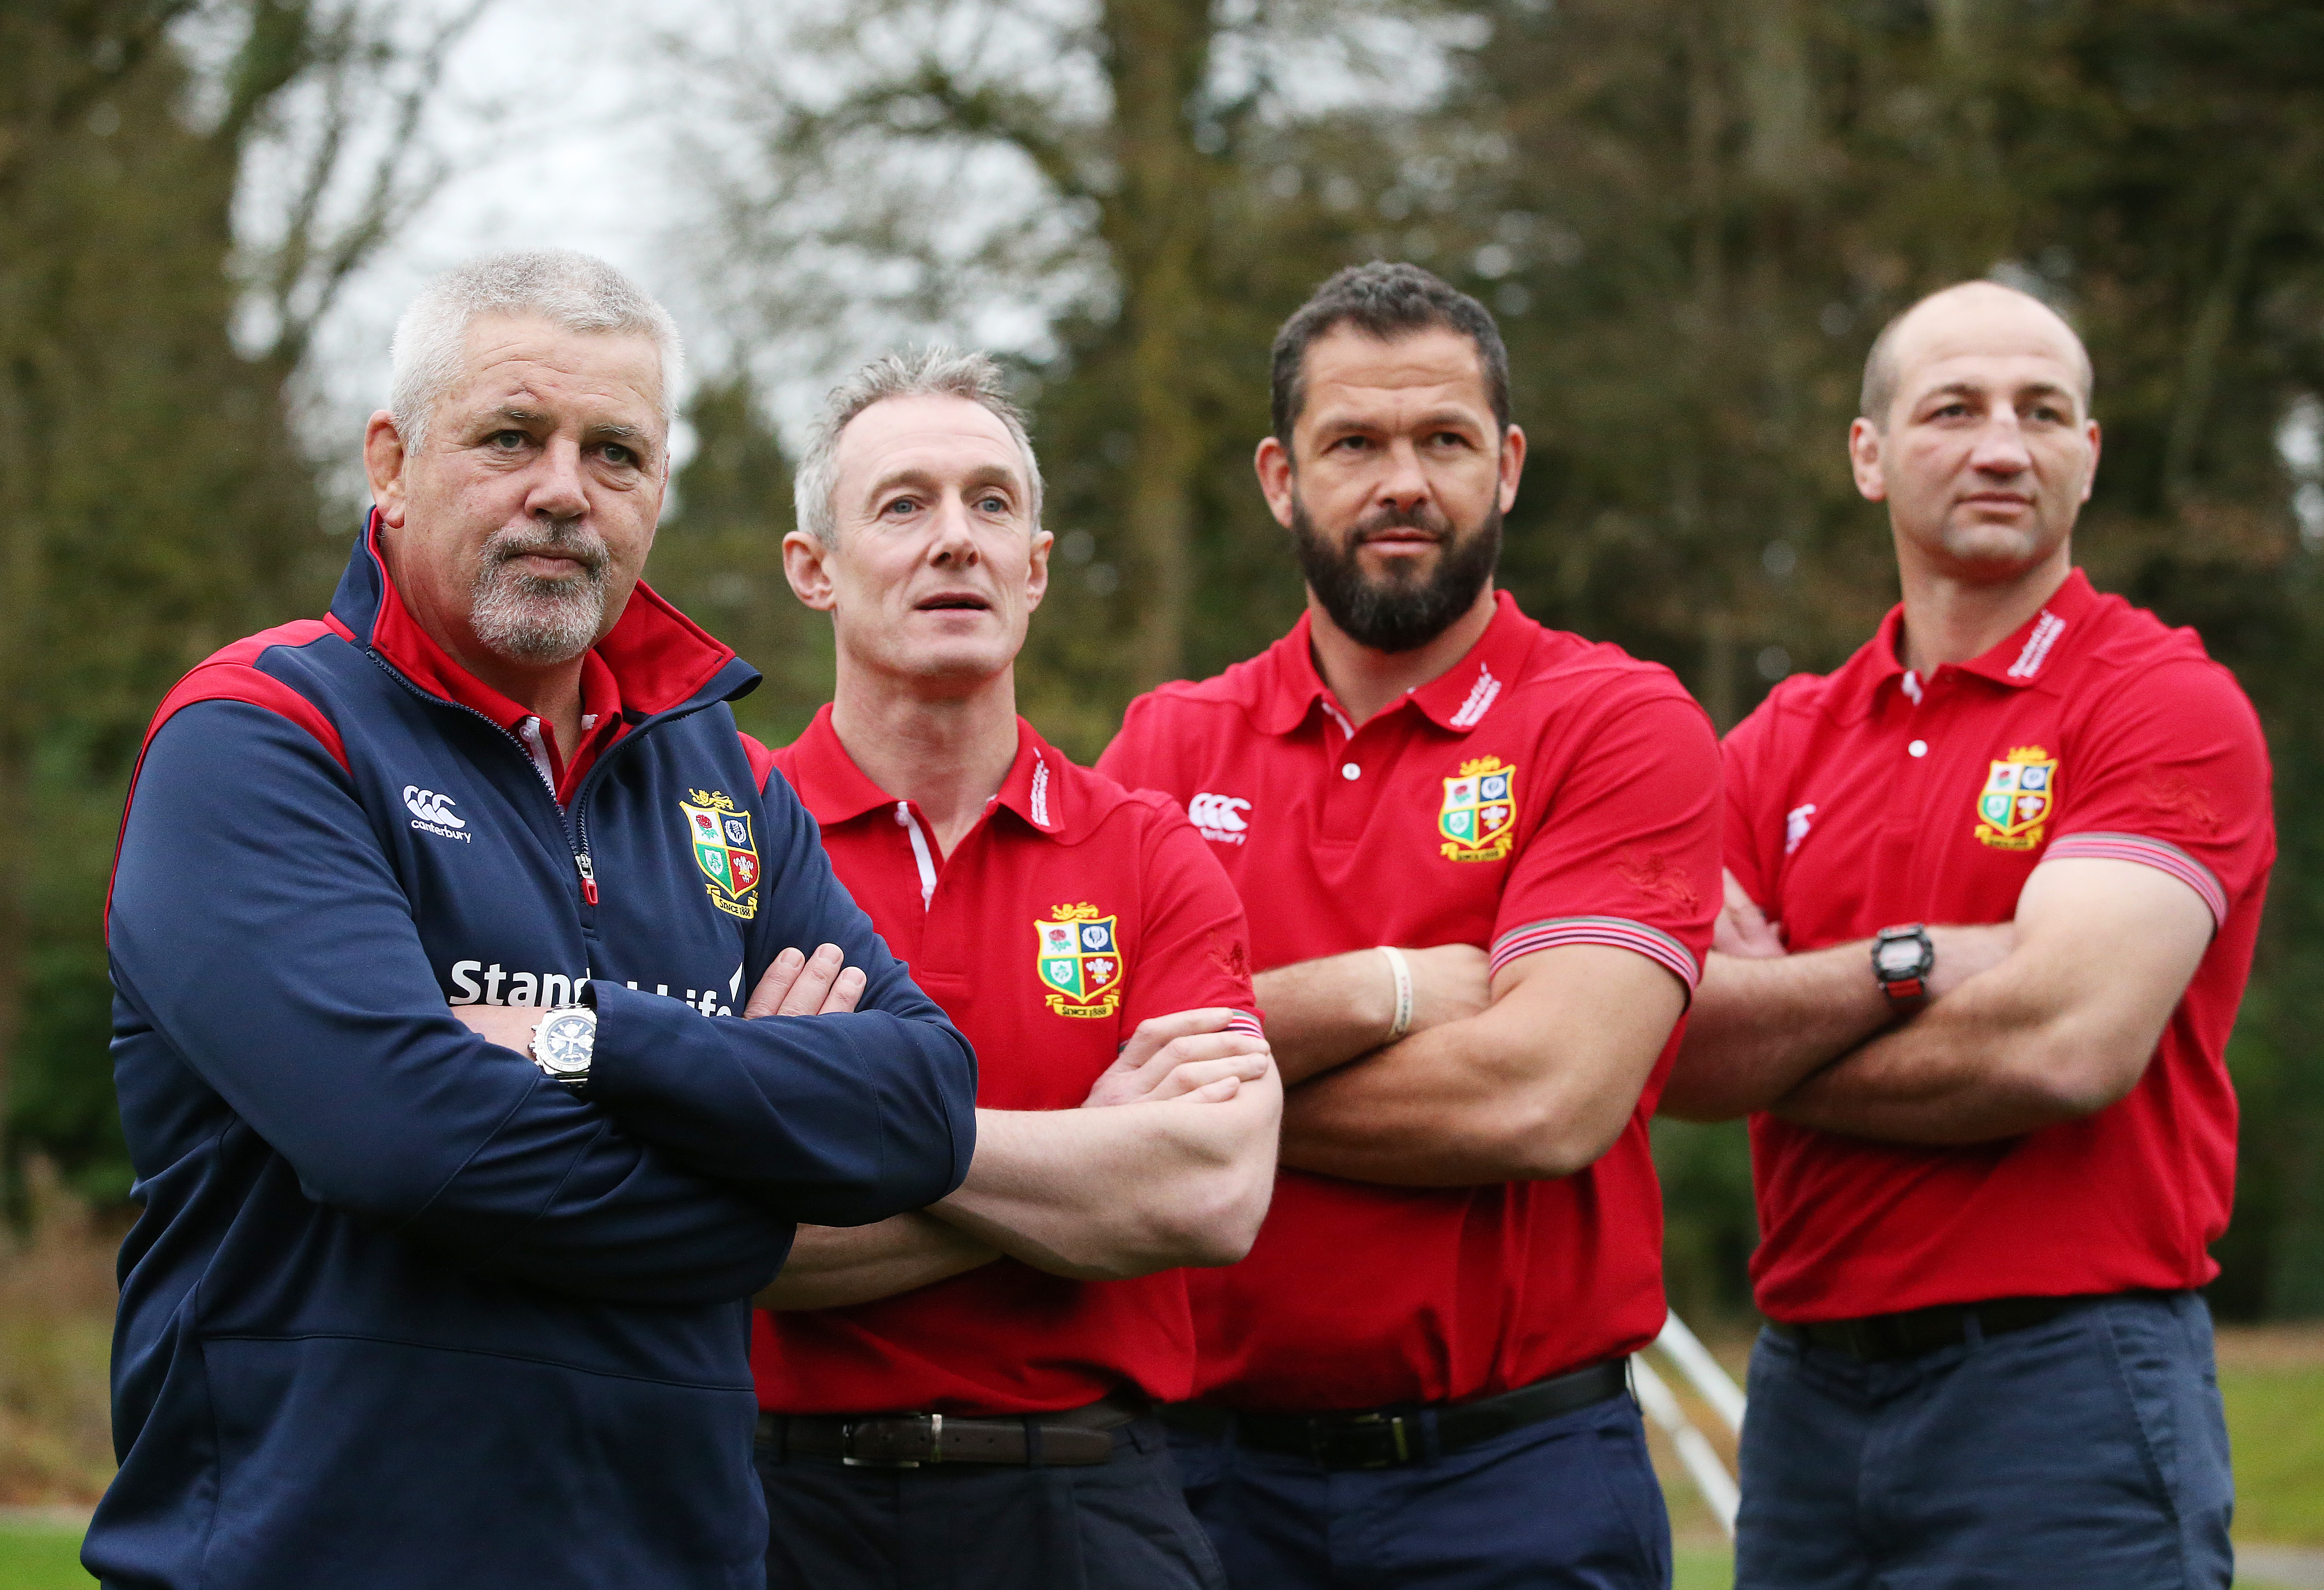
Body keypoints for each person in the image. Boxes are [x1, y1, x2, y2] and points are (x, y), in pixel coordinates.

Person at [94, 251, 978, 1590]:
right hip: (306, 1555)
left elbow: (922, 1105)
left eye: (614, 453)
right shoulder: (262, 736)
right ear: (389, 464)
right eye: (512, 437)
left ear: (657, 491)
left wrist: (581, 1041)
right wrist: (766, 1196)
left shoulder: (726, 784)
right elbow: (407, 1141)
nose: (564, 491)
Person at [1097, 262, 1722, 1588]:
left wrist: (1187, 1102)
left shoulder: (1616, 725)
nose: (1402, 483)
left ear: (1504, 466)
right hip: (1202, 1484)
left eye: (1441, 441)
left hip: (1515, 1485)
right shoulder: (1167, 740)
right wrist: (1375, 995)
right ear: (1280, 477)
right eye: (1354, 444)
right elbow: (1078, 1076)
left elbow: (1540, 1098)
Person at [1665, 279, 2274, 1590]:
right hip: (1807, 1396)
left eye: (2040, 412)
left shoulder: (2162, 704)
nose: (2002, 445)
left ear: (2087, 458)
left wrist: (1780, 1022)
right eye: (1953, 409)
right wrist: (1924, 962)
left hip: (2065, 1384)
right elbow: (1672, 1054)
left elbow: (2060, 1046)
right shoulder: (1777, 744)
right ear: (1869, 455)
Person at [749, 347, 1281, 1590]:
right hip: (767, 1506)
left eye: (991, 504)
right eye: (903, 504)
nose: (955, 540)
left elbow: (1206, 1199)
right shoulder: (712, 836)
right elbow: (696, 1221)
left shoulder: (1150, 852)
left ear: (1036, 571)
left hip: (1084, 1506)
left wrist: (839, 1127)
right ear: (811, 569)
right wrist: (1081, 1161)